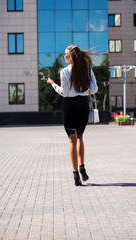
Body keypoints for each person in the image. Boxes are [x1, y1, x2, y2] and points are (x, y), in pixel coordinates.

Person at [46, 44, 98, 186]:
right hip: (83, 105)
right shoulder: (87, 69)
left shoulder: (64, 72)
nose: (64, 56)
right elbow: (94, 89)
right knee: (80, 137)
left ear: (70, 57)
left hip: (70, 106)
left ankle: (76, 175)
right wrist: (83, 90)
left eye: (65, 54)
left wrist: (52, 84)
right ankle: (82, 168)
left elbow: (65, 93)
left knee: (72, 140)